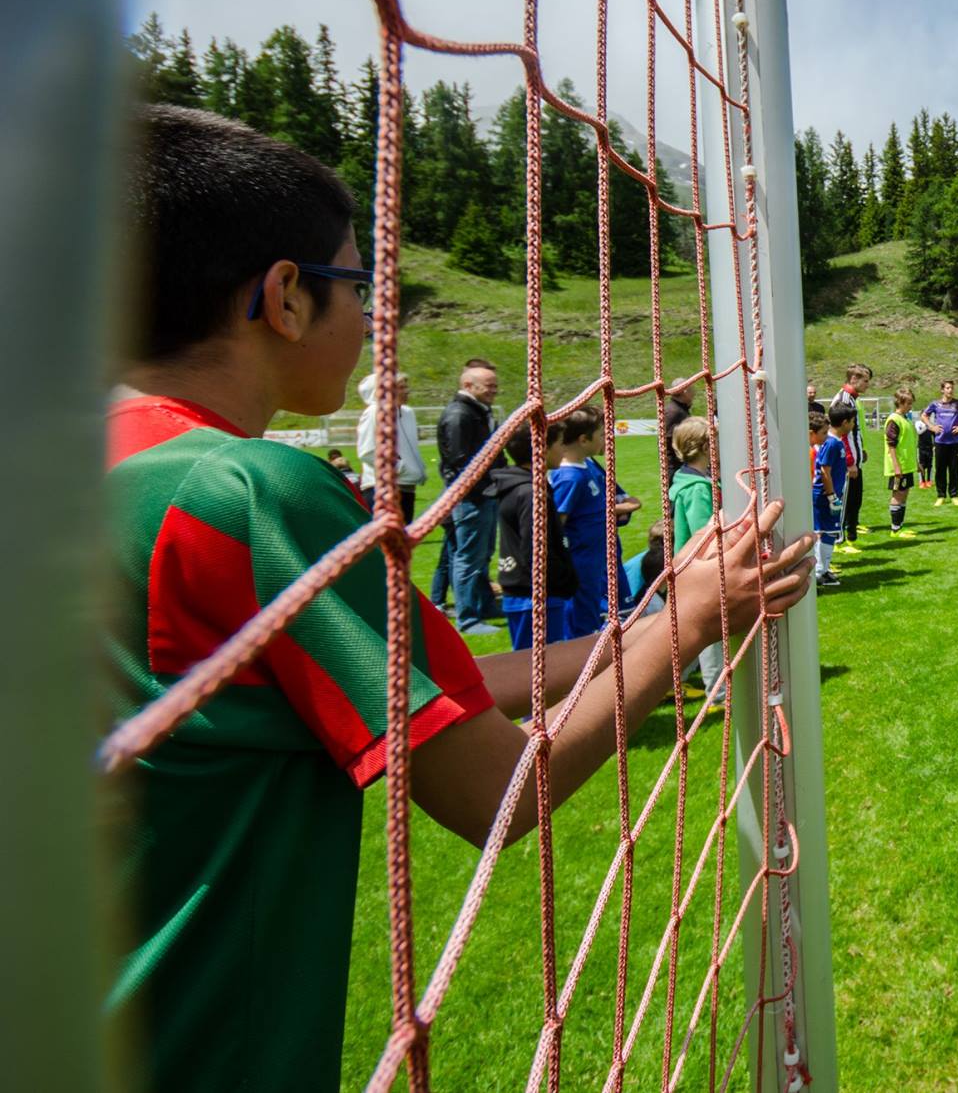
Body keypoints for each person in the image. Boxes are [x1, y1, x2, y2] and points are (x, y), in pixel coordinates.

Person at [105, 105, 813, 1091]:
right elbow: (494, 790)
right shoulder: (250, 492)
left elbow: (427, 695)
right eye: (361, 289)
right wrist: (693, 622)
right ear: (285, 297)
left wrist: (653, 621)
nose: (372, 323)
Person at [489, 416, 577, 653]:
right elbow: (536, 551)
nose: (564, 449)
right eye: (560, 443)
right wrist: (565, 580)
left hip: (531, 593)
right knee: (537, 663)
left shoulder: (528, 487)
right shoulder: (530, 494)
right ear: (541, 448)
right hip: (534, 597)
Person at [551, 407, 642, 637]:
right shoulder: (569, 478)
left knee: (592, 624)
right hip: (579, 565)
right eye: (602, 434)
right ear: (583, 440)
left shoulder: (587, 468)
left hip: (595, 561)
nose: (606, 439)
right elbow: (556, 525)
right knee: (577, 629)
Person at [435, 357, 508, 632]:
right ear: (468, 385)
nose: (494, 390)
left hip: (484, 495)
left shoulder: (478, 411)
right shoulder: (460, 415)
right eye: (489, 385)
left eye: (495, 385)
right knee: (467, 557)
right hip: (471, 498)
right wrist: (489, 486)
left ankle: (484, 605)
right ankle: (467, 618)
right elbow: (461, 462)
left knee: (482, 554)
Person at [667, 415, 727, 709]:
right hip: (702, 569)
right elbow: (704, 533)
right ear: (705, 446)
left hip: (694, 569)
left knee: (692, 631)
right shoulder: (697, 489)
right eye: (715, 439)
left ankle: (671, 680)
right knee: (709, 633)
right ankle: (718, 694)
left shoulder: (695, 480)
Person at [355, 371, 425, 519]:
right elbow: (367, 452)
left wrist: (417, 469)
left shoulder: (408, 413)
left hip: (407, 488)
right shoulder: (374, 412)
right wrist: (400, 468)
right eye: (401, 387)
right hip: (382, 489)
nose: (407, 391)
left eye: (406, 387)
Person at [827, 364, 871, 553]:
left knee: (854, 501)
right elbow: (842, 433)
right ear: (853, 379)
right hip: (847, 464)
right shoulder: (844, 399)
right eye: (865, 381)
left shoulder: (852, 398)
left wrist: (861, 451)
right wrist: (850, 461)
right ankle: (838, 542)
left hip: (855, 462)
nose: (868, 385)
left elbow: (854, 432)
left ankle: (850, 537)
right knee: (843, 502)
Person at [812, 407, 850, 585]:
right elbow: (824, 470)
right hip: (825, 495)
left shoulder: (834, 442)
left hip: (830, 493)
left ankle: (823, 570)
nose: (853, 425)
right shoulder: (832, 443)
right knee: (827, 531)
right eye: (852, 421)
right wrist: (831, 496)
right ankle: (820, 572)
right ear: (845, 422)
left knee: (829, 531)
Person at [921, 379, 958, 505]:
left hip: (955, 443)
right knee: (940, 470)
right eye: (948, 388)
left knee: (954, 469)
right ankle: (941, 496)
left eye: (952, 388)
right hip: (940, 442)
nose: (950, 390)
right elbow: (923, 415)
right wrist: (932, 427)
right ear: (942, 390)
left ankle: (954, 496)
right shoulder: (935, 404)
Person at [880, 387, 920, 539]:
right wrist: (896, 466)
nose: (910, 406)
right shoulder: (894, 420)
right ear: (900, 403)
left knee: (904, 494)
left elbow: (908, 444)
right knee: (898, 494)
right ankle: (895, 529)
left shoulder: (905, 418)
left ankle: (900, 526)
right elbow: (891, 445)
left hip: (907, 465)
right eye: (908, 403)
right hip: (898, 466)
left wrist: (916, 462)